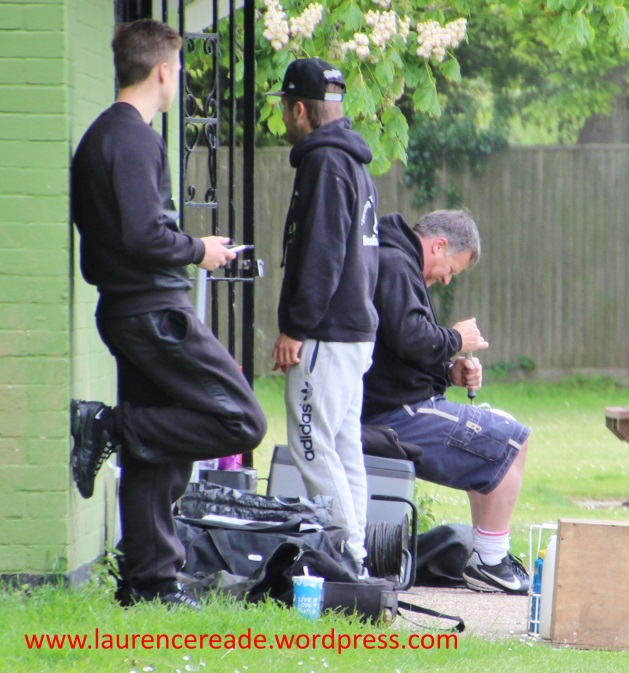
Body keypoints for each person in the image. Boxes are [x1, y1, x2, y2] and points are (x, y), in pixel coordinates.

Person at [69, 19, 267, 607]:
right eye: (177, 70)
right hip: (153, 313)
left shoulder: (103, 137)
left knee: (157, 448)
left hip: (130, 310)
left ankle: (149, 583)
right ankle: (110, 426)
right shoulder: (132, 138)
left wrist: (192, 249)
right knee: (241, 420)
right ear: (163, 70)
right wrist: (199, 250)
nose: (176, 80)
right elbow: (142, 234)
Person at [362, 210, 531, 595]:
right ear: (439, 245)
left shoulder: (396, 261)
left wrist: (449, 372)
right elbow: (410, 336)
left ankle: (486, 556)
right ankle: (490, 563)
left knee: (498, 428)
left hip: (397, 404)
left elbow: (399, 350)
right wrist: (455, 339)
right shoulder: (395, 264)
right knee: (511, 439)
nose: (447, 279)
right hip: (395, 414)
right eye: (451, 268)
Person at [268, 58, 380, 571]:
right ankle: (358, 558)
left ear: (299, 109)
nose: (283, 120)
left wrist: (295, 327)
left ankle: (347, 559)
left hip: (326, 334)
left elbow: (322, 253)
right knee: (343, 446)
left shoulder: (325, 163)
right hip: (353, 331)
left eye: (284, 109)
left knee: (311, 445)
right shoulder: (353, 161)